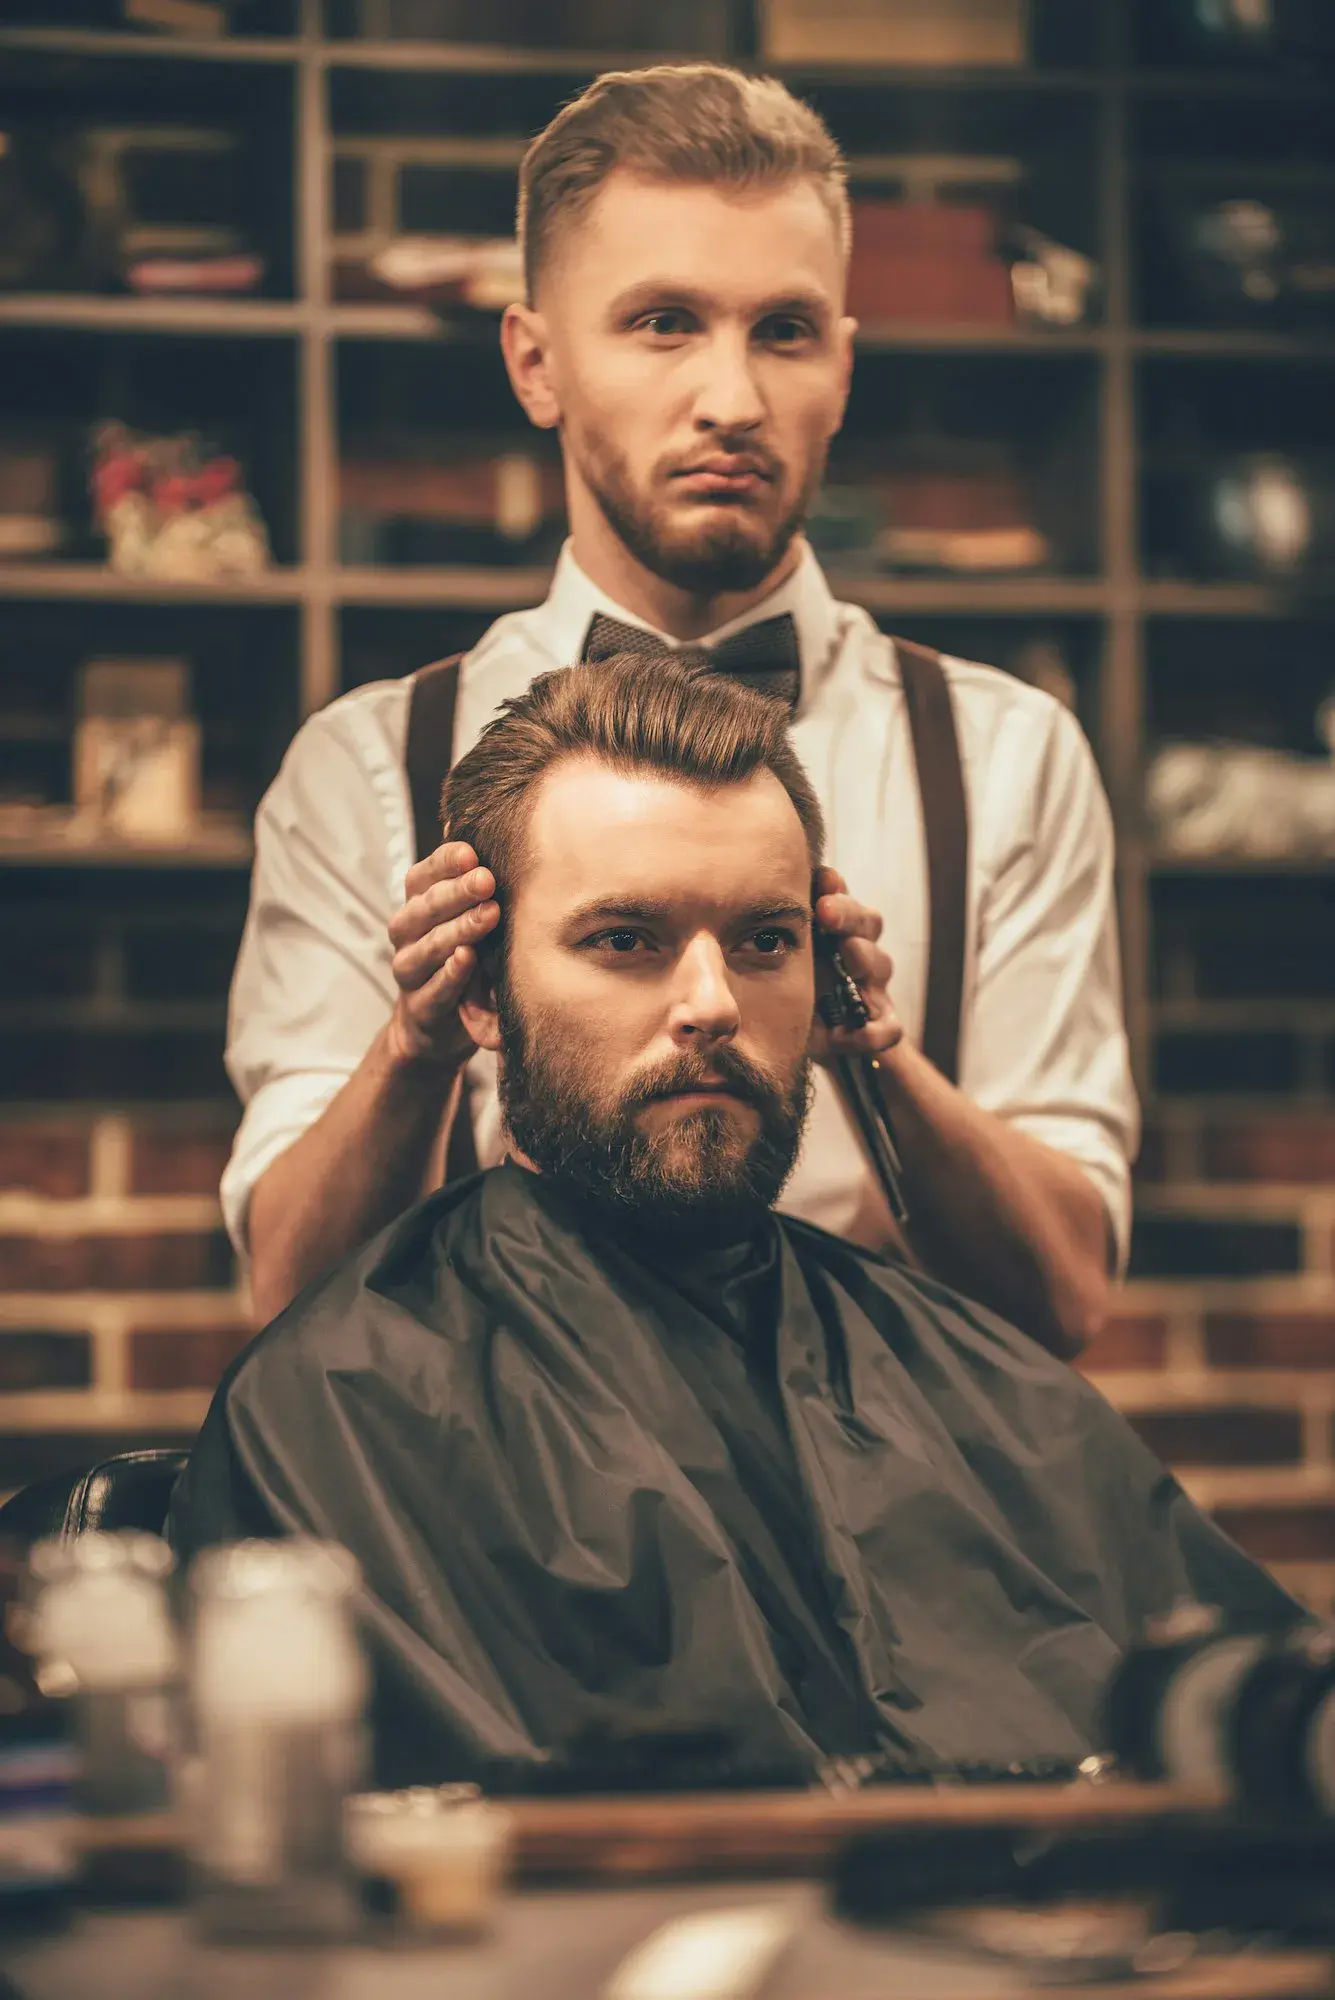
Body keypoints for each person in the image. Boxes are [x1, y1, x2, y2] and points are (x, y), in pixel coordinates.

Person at [171, 659, 1288, 1793]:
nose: (712, 1001)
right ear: (479, 993)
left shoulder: (976, 1383)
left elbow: (1260, 1722)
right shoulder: (352, 1398)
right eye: (625, 938)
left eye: (763, 941)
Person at [223, 62, 1137, 1356]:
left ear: (841, 364)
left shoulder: (1002, 758)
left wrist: (869, 1052)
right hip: (481, 1514)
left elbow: (1058, 1306)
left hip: (887, 1520)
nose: (730, 400)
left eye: (782, 330)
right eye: (661, 324)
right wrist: (416, 1046)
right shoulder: (369, 765)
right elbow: (286, 1300)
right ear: (535, 364)